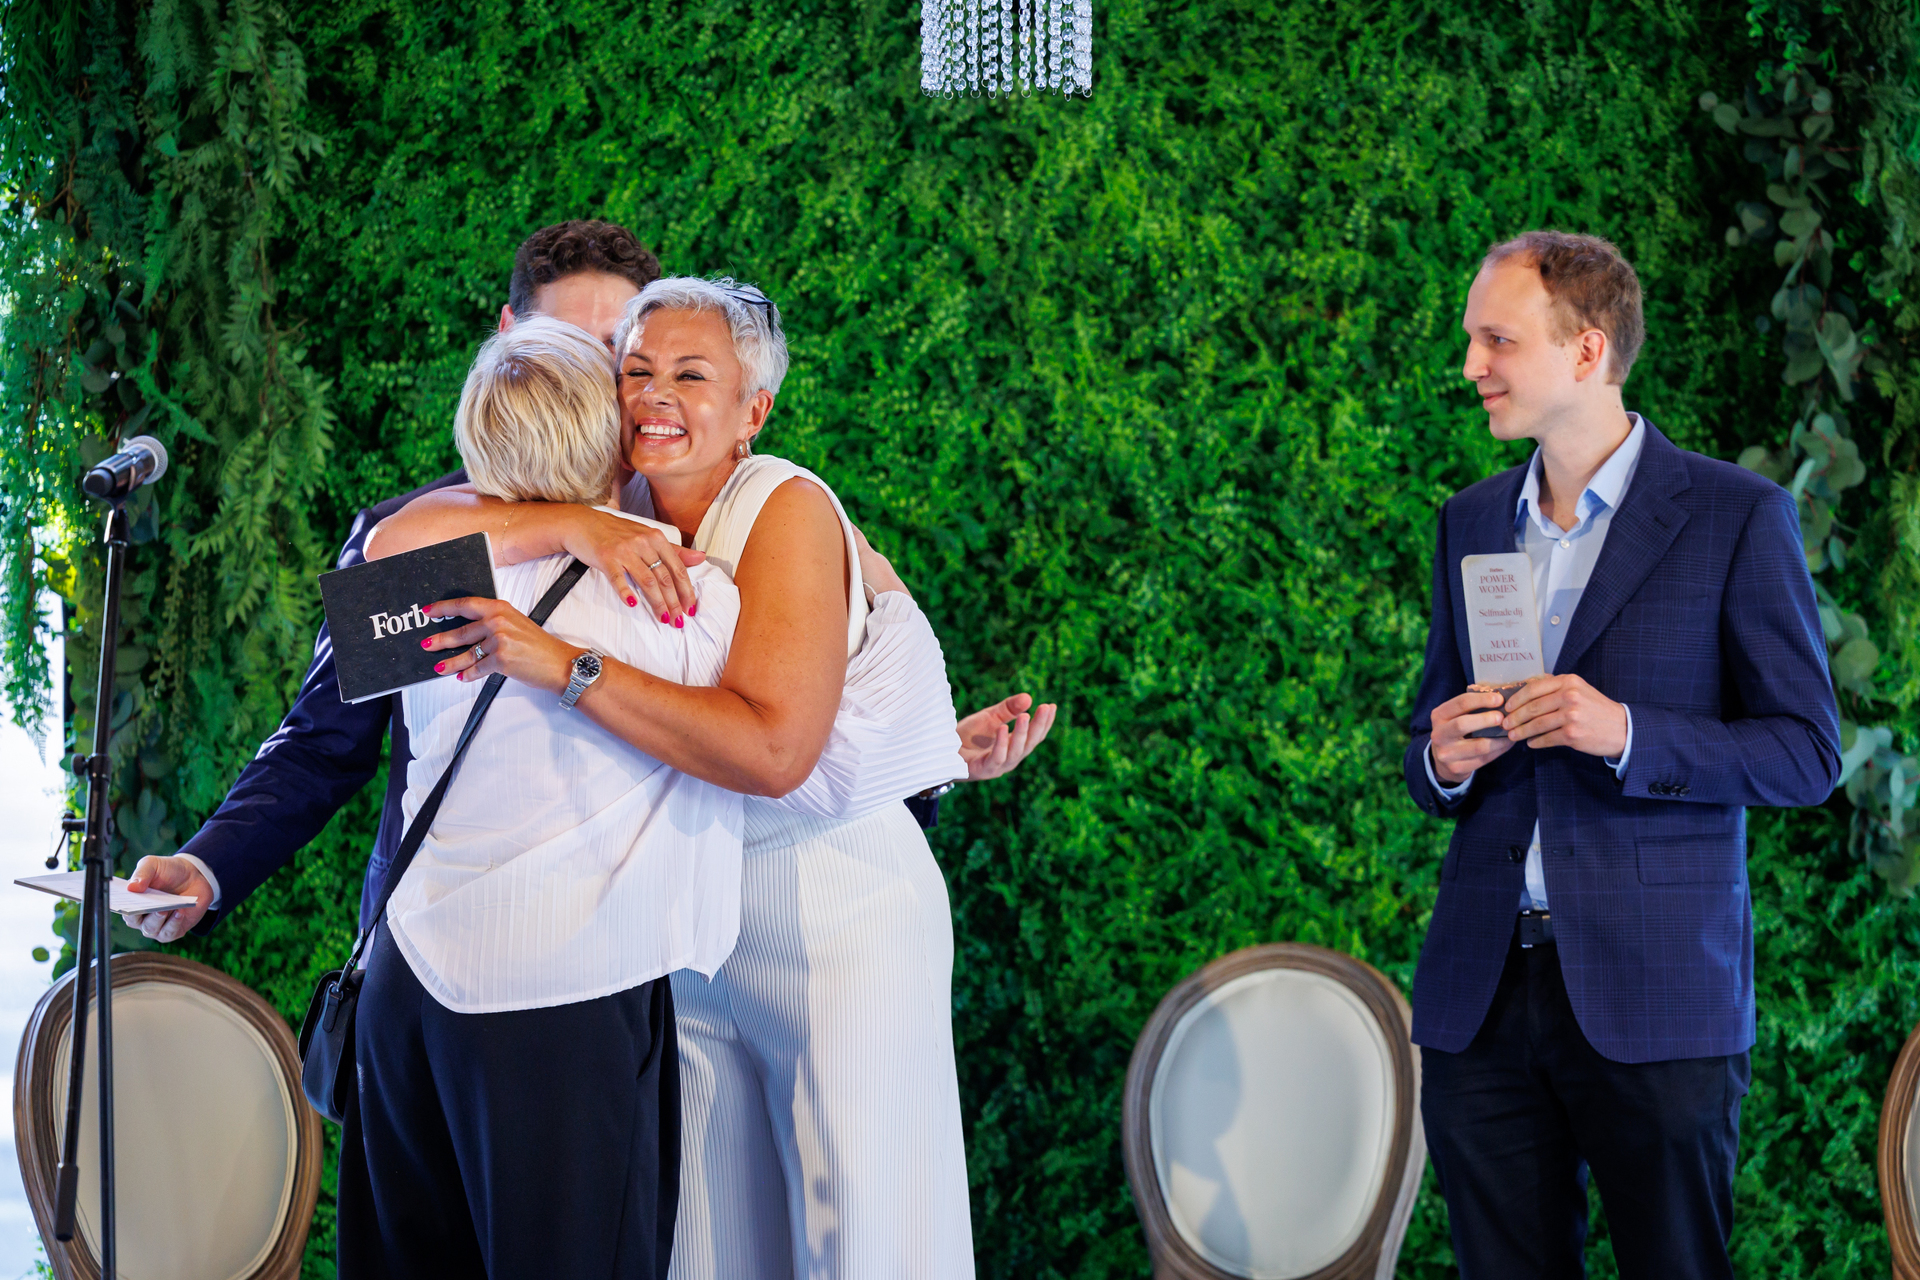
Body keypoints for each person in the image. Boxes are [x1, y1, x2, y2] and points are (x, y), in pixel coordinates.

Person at [125, 218, 1055, 944]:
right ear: (506, 341)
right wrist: (210, 866)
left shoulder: (705, 522)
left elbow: (781, 720)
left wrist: (924, 756)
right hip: (444, 956)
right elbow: (324, 743)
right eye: (562, 342)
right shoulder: (422, 540)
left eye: (615, 357)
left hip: (635, 973)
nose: (595, 379)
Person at [375, 277, 976, 1279]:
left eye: (691, 376)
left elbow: (777, 752)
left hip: (831, 907)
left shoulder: (783, 505)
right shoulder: (612, 504)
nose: (655, 393)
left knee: (866, 1232)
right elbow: (387, 548)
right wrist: (576, 526)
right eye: (636, 370)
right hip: (683, 925)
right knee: (706, 1247)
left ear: (754, 411)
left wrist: (564, 664)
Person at [1405, 230, 1841, 1278]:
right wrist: (1444, 759)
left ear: (1587, 350)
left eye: (1497, 339)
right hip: (1481, 996)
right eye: (1471, 339)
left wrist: (1629, 733)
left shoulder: (1738, 515)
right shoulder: (1471, 520)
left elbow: (1806, 753)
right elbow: (1425, 739)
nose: (1470, 365)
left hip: (1659, 995)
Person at [346, 317, 742, 1276]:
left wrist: (562, 522)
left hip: (407, 987)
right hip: (564, 1001)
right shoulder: (684, 591)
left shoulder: (420, 583)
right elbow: (786, 746)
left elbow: (384, 540)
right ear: (614, 437)